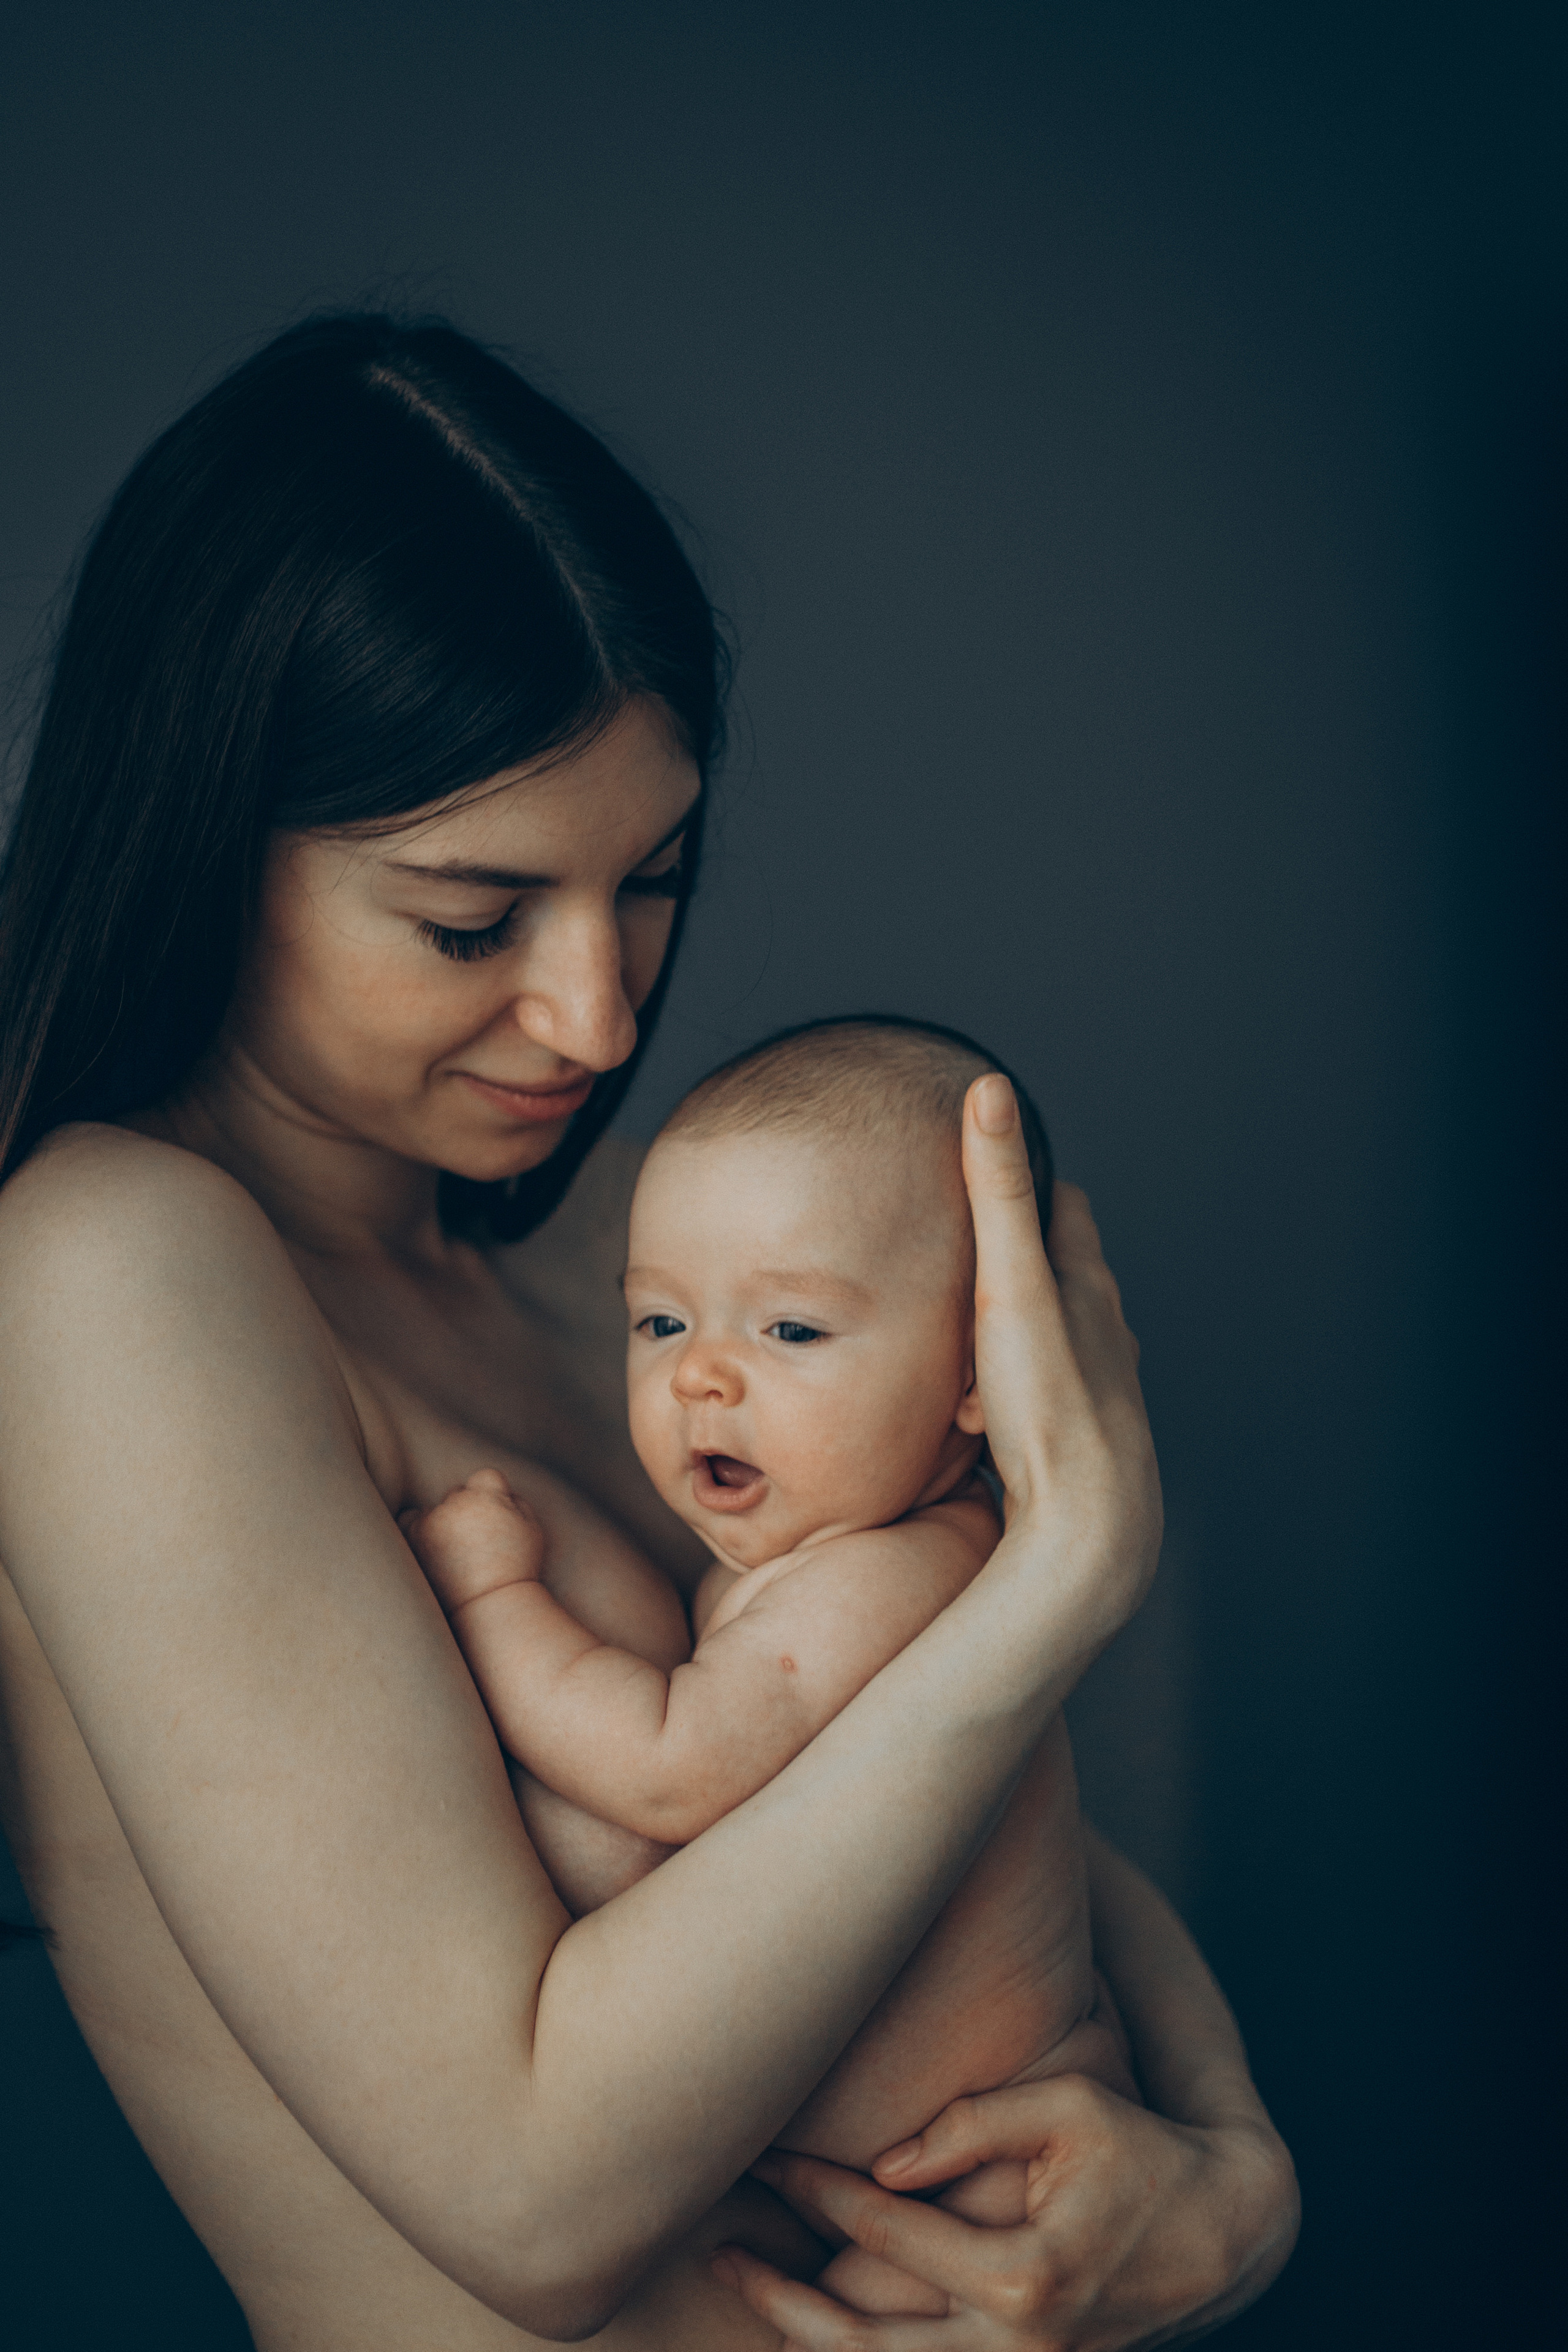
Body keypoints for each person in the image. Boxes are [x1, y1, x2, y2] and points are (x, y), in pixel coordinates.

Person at [0, 314, 1297, 2351]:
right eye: (471, 920)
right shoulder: (107, 1268)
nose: (600, 1022)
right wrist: (1055, 1585)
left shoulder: (626, 1251)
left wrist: (1231, 2176)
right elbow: (530, 2195)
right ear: (208, 835)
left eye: (655, 881)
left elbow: (971, 1811)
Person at [403, 1014, 1146, 2323]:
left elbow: (672, 1769)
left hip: (972, 2165)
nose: (700, 1376)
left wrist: (490, 1595)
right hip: (919, 2153)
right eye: (660, 1319)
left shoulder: (890, 1575)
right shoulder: (840, 1552)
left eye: (792, 1332)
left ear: (979, 1375)